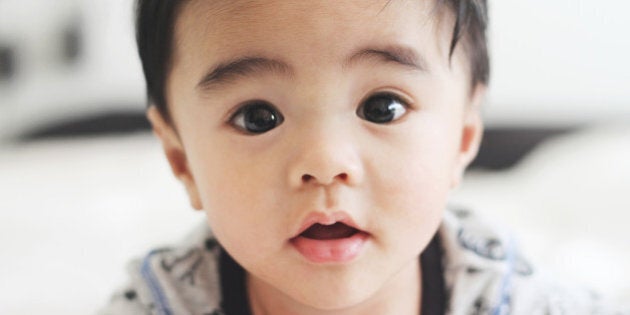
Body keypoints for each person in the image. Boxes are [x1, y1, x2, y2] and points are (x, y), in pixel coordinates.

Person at [101, 0, 627, 314]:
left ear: (463, 137)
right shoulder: (160, 302)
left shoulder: (514, 297)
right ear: (181, 160)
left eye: (383, 107)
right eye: (257, 117)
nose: (326, 162)